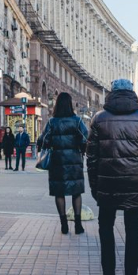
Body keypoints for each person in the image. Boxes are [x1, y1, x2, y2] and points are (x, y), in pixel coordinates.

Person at [87, 78, 138, 275]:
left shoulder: (99, 119)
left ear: (111, 94)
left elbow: (91, 157)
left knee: (106, 229)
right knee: (133, 230)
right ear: (132, 94)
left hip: (107, 184)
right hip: (136, 183)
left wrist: (94, 186)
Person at [40, 92, 89, 235]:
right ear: (70, 104)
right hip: (74, 159)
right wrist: (81, 149)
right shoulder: (77, 121)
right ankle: (78, 225)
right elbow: (86, 138)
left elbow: (44, 140)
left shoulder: (51, 122)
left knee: (59, 193)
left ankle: (64, 225)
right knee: (76, 192)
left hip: (57, 160)